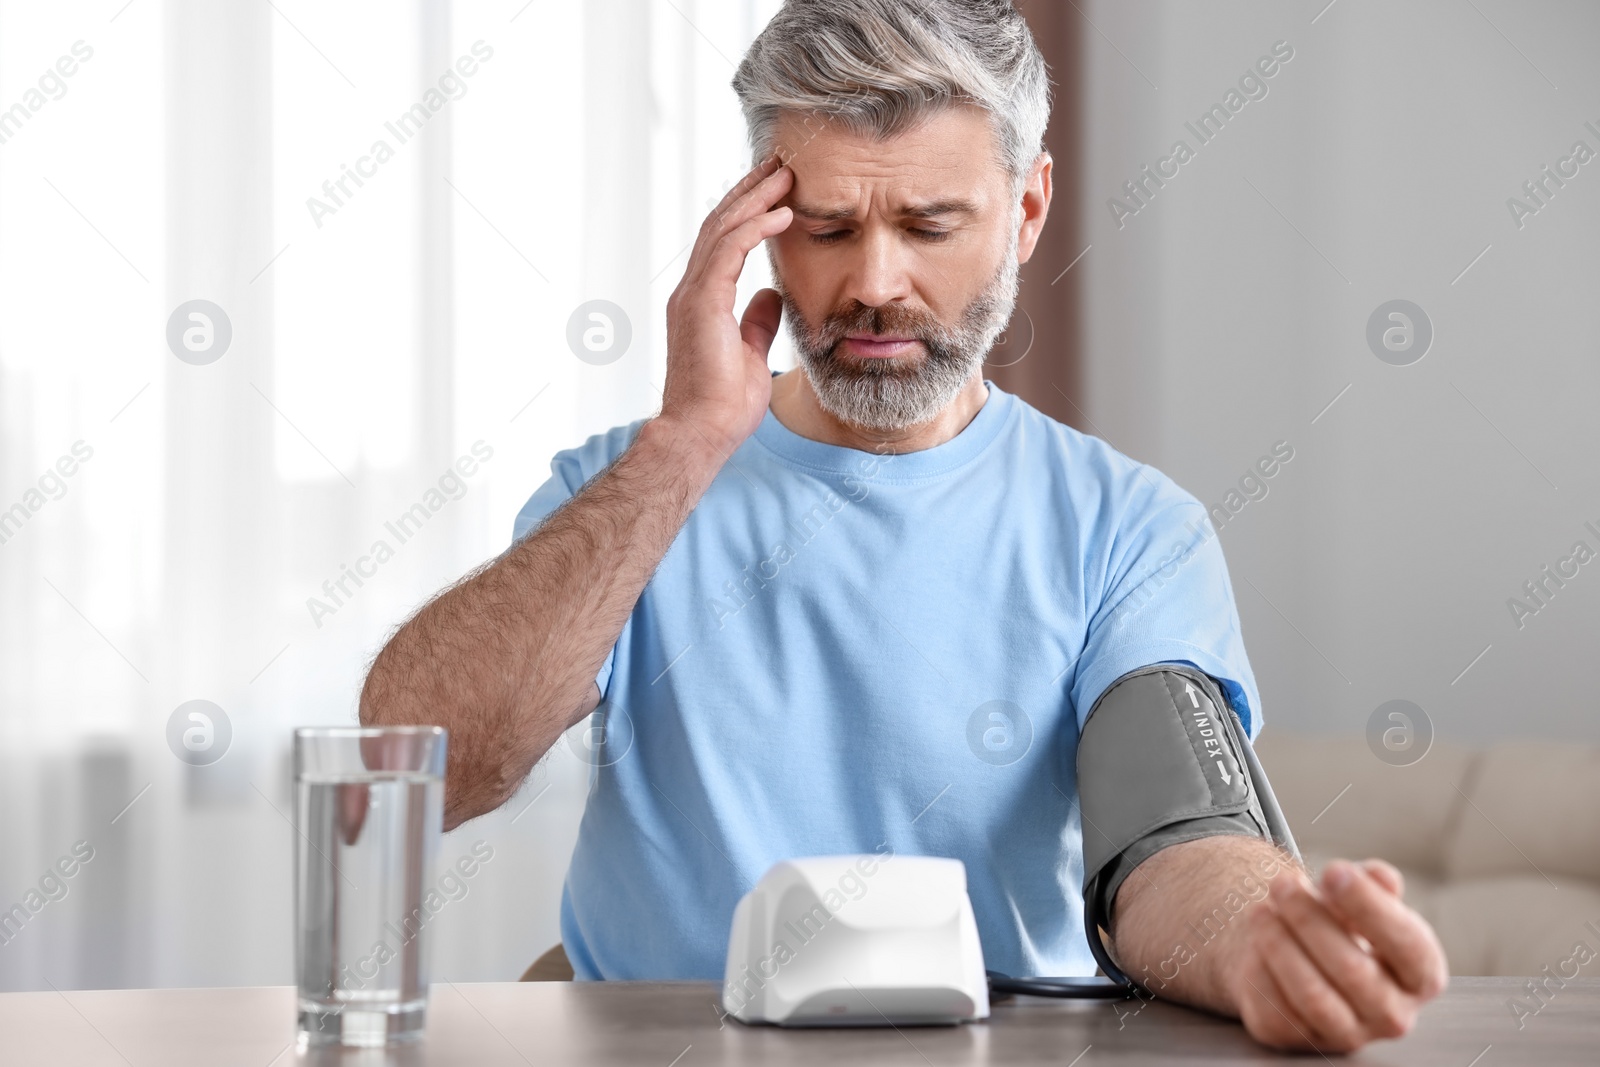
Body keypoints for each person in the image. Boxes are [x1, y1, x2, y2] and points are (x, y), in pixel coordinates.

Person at [360, 0, 1447, 1052]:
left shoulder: (1128, 530)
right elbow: (411, 772)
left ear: (1025, 208)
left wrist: (1256, 934)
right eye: (827, 228)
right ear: (758, 227)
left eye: (929, 224)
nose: (874, 284)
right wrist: (686, 444)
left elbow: (1175, 836)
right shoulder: (622, 492)